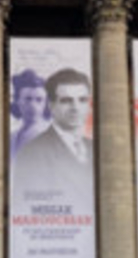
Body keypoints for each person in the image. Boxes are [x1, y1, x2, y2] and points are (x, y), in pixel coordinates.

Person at [12, 68, 94, 203]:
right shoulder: (31, 152)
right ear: (51, 105)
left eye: (82, 100)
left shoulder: (96, 149)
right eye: (66, 100)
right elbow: (23, 204)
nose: (75, 107)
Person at [9, 69, 49, 156]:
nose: (33, 106)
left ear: (45, 104)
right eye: (28, 99)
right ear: (17, 100)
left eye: (39, 100)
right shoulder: (12, 137)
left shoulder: (50, 136)